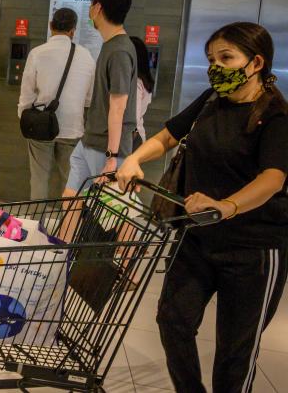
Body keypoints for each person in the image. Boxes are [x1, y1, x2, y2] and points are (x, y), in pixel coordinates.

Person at [117, 22, 288, 393]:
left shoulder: (275, 116)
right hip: (196, 239)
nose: (217, 67)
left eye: (226, 58)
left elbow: (273, 178)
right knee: (173, 321)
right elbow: (168, 136)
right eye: (212, 59)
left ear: (256, 62)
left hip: (253, 249)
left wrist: (226, 206)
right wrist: (135, 159)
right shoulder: (212, 101)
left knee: (234, 351)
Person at [63, 0, 137, 196]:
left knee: (114, 210)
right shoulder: (111, 45)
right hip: (90, 141)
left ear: (97, 8)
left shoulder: (120, 51)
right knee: (71, 198)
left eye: (90, 5)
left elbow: (118, 107)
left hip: (107, 147)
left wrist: (112, 156)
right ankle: (65, 231)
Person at [18, 7, 95, 198]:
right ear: (73, 30)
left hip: (40, 126)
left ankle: (38, 225)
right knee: (71, 181)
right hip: (72, 128)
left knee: (39, 179)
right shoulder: (86, 56)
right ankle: (68, 225)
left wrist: (25, 118)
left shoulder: (37, 53)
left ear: (51, 26)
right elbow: (89, 99)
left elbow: (26, 94)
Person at [130, 35, 154, 151]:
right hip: (137, 135)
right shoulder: (143, 81)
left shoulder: (135, 83)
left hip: (131, 139)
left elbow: (132, 117)